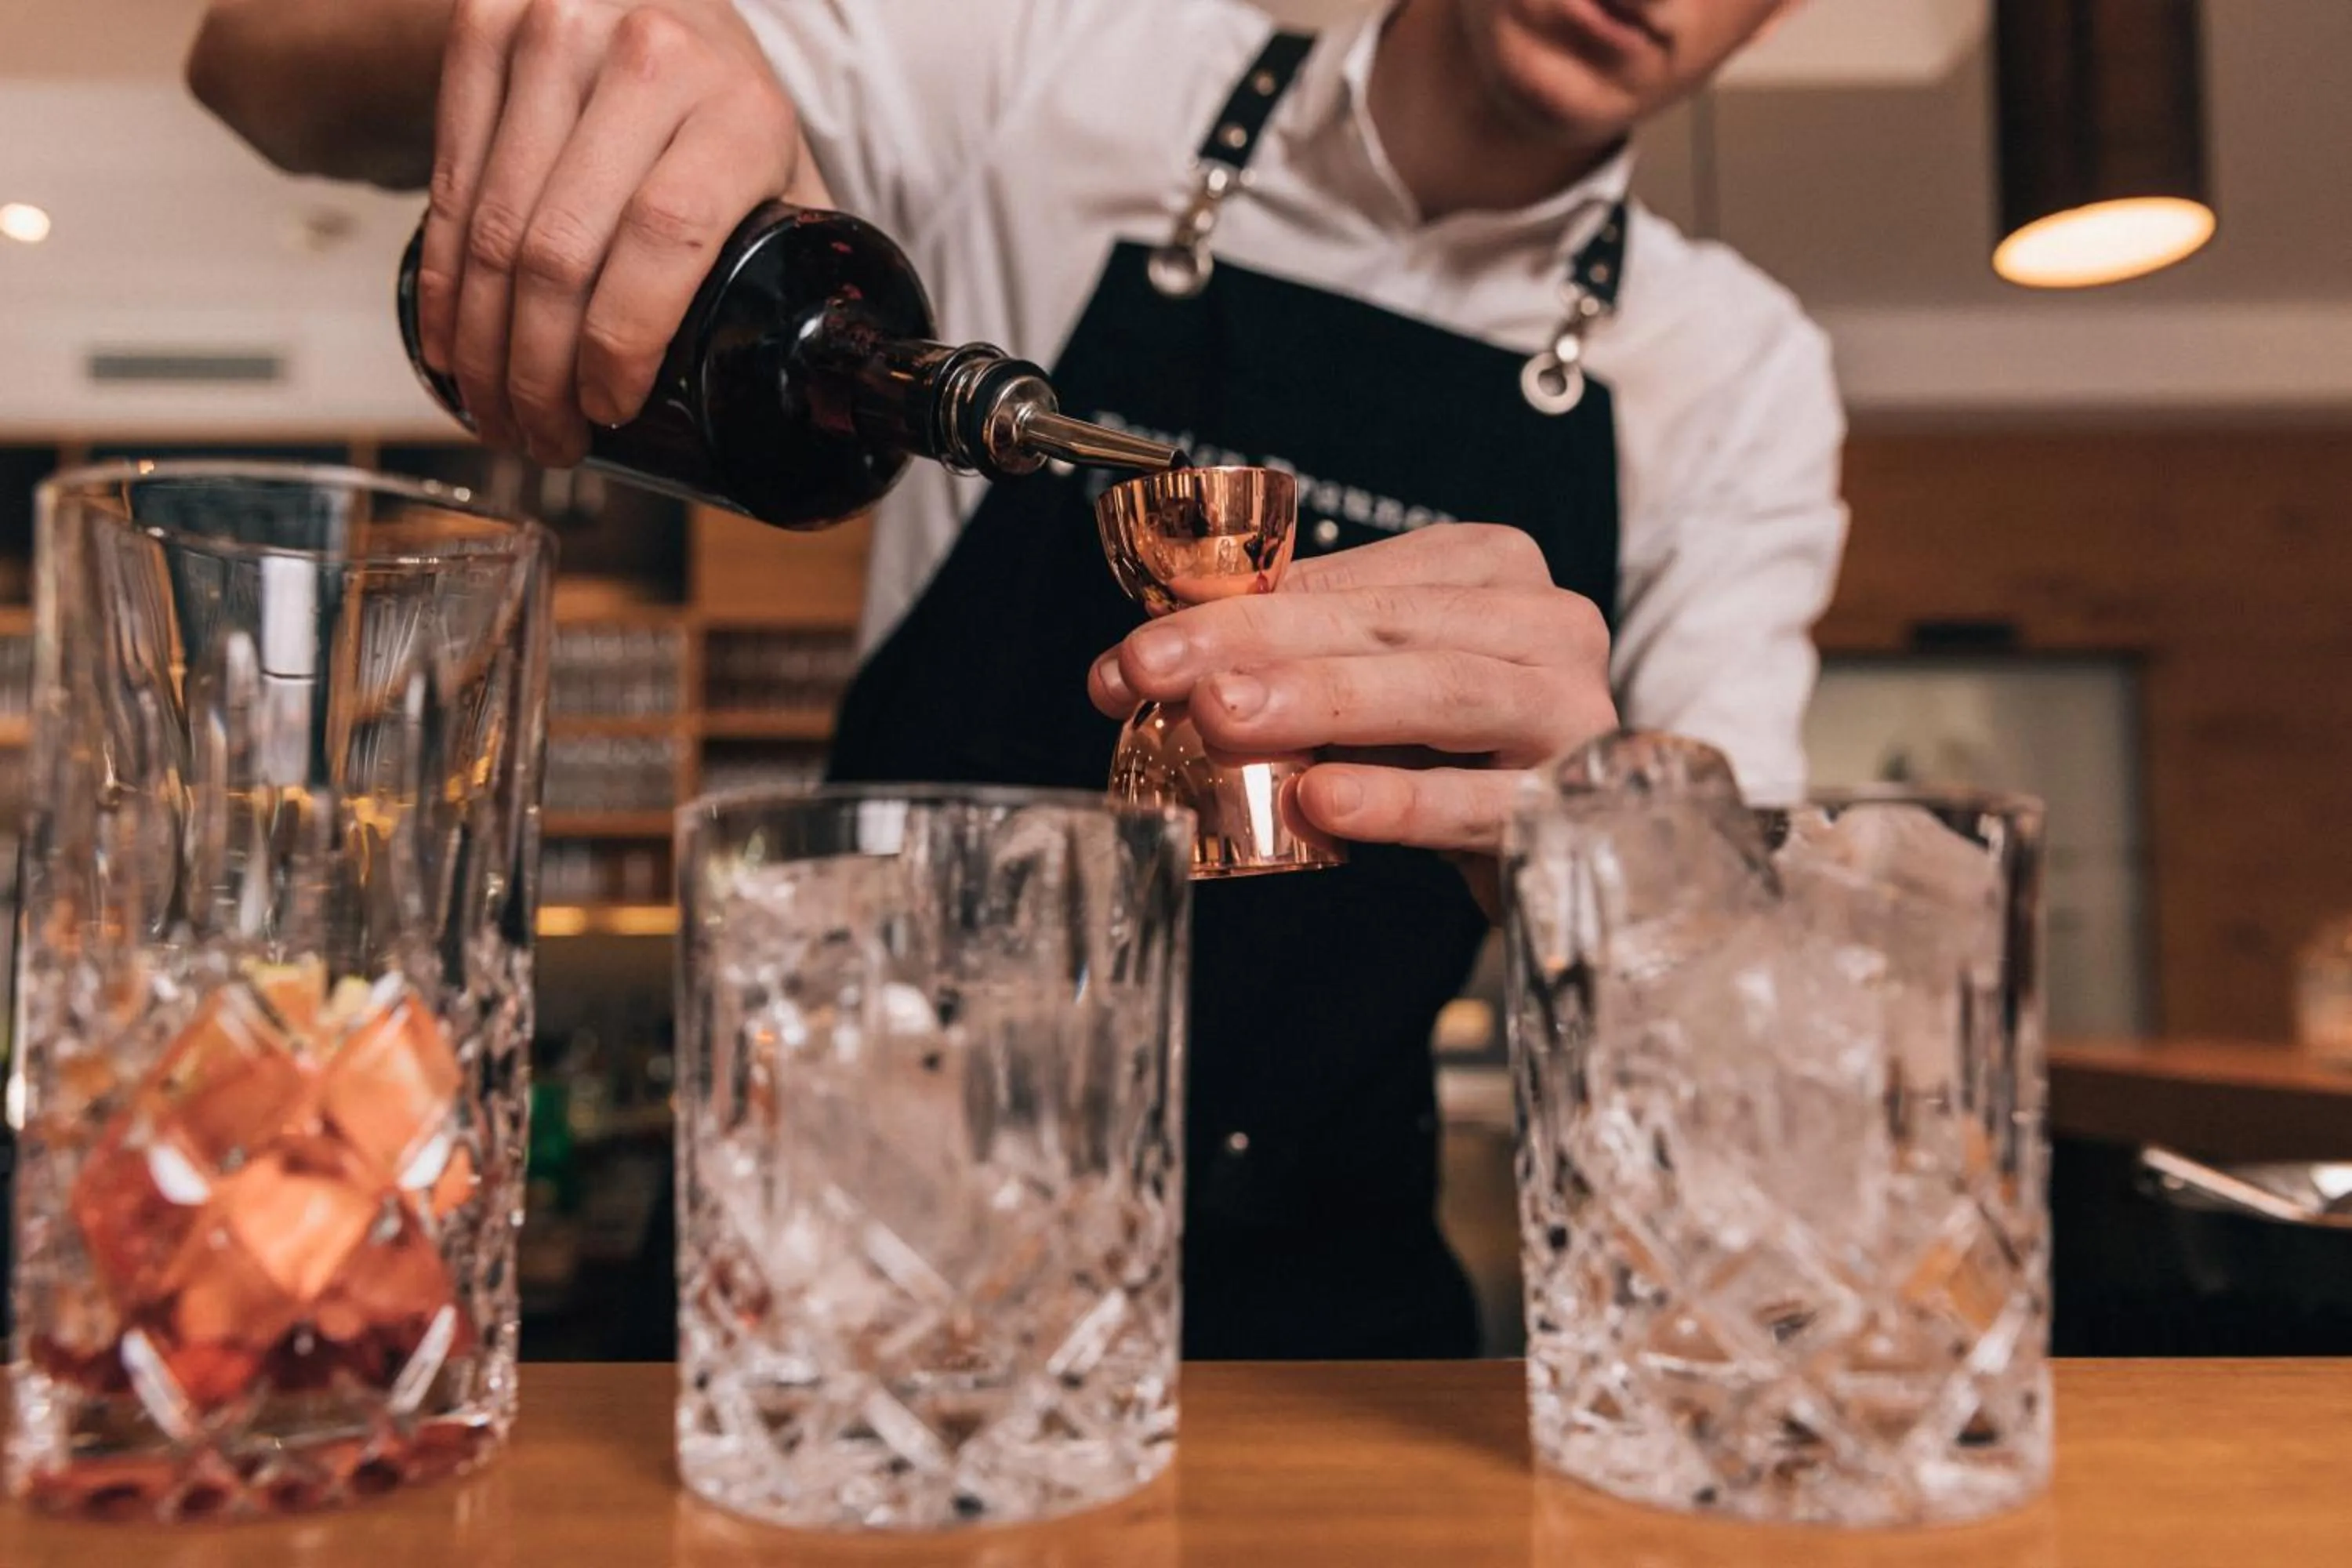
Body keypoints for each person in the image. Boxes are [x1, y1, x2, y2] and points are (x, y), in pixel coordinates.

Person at [188, 0, 1848, 1359]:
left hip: (1309, 1324)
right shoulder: (1052, 66)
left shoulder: (1736, 373)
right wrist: (600, 28)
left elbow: (1729, 1043)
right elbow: (254, 62)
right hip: (832, 1247)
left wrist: (1616, 847)